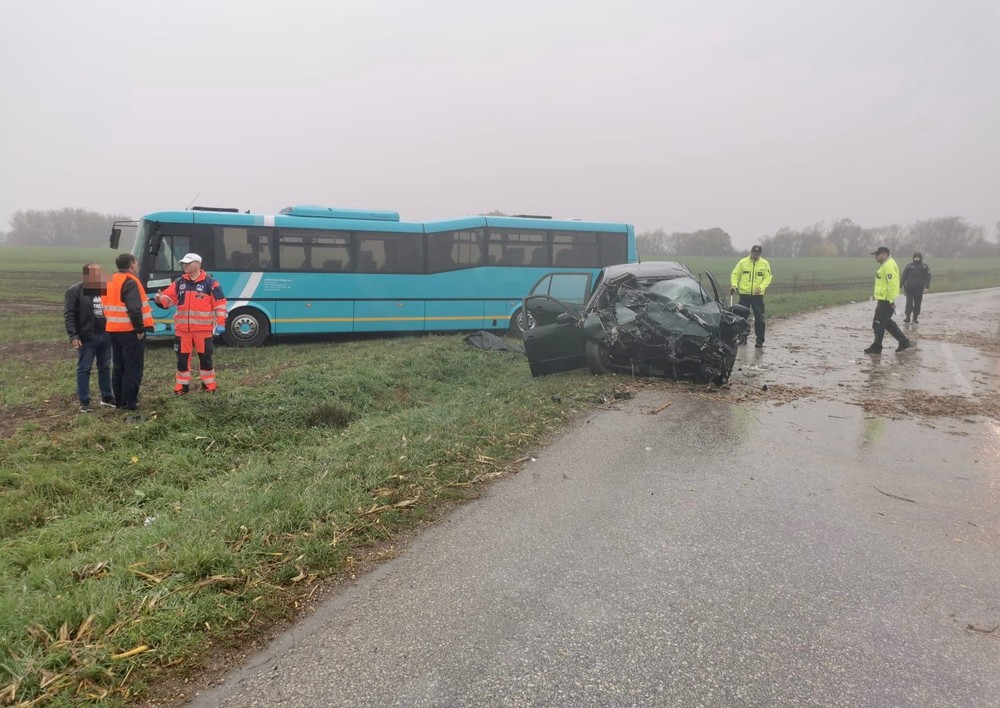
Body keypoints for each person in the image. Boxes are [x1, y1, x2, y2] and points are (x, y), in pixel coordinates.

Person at [153, 253, 228, 394]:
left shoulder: (211, 283)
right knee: (182, 359)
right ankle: (182, 386)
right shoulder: (179, 282)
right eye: (183, 263)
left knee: (205, 359)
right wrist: (159, 299)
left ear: (198, 264)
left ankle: (209, 385)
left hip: (203, 331)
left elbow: (220, 304)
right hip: (182, 331)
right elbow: (168, 300)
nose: (184, 265)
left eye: (188, 263)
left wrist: (221, 323)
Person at [105, 253, 154, 418]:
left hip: (113, 329)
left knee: (118, 366)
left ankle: (119, 401)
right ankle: (130, 403)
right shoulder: (130, 281)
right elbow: (134, 308)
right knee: (133, 368)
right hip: (130, 331)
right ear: (132, 265)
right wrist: (140, 330)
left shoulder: (109, 280)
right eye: (136, 263)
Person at [63, 263, 114, 412]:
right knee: (84, 368)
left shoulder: (105, 289)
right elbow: (69, 315)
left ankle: (107, 397)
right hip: (87, 337)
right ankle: (84, 401)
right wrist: (73, 335)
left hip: (105, 335)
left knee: (105, 366)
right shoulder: (74, 291)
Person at [865, 246, 911, 354]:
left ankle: (877, 346)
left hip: (886, 300)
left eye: (877, 255)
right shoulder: (886, 265)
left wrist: (892, 301)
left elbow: (892, 284)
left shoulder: (889, 265)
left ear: (884, 254)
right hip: (884, 299)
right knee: (886, 323)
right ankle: (903, 341)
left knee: (878, 323)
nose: (875, 257)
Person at [730, 244, 773, 348]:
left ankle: (759, 340)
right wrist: (734, 285)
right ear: (751, 252)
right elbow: (735, 274)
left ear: (760, 254)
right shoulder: (742, 262)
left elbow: (767, 278)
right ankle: (742, 338)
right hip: (744, 294)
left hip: (757, 296)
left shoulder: (765, 263)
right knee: (742, 318)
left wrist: (761, 288)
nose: (755, 256)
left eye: (757, 254)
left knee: (759, 318)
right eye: (753, 253)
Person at [900, 251, 931, 323]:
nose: (916, 258)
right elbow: (904, 276)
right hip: (909, 287)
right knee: (909, 302)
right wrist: (901, 284)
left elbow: (928, 277)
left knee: (917, 302)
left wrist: (926, 287)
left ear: (921, 258)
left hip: (919, 288)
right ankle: (907, 316)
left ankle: (915, 317)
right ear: (913, 257)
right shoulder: (909, 266)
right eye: (915, 257)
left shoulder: (924, 267)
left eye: (918, 257)